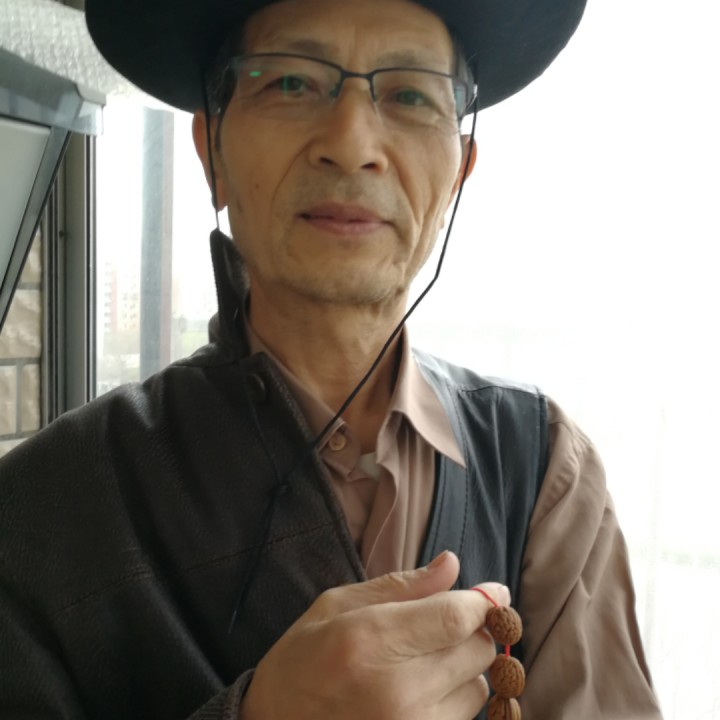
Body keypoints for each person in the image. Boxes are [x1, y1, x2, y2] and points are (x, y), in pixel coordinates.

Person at [0, 0, 663, 718]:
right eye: (291, 82)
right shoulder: (39, 513)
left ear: (458, 173)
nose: (351, 144)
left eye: (410, 94)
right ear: (212, 150)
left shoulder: (543, 473)